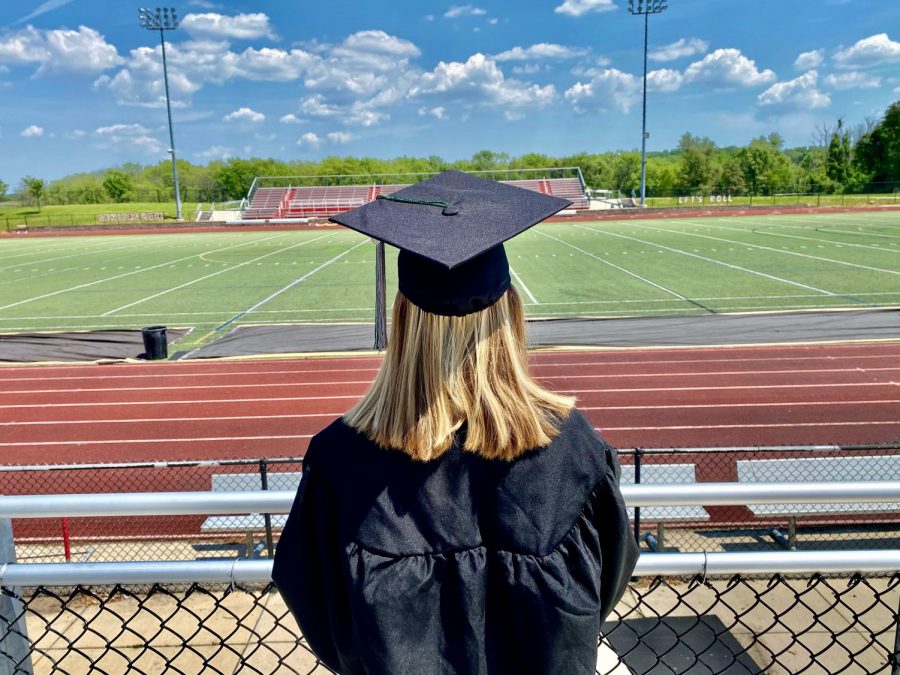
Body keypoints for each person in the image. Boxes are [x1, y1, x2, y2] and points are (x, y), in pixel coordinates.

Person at [273, 170, 640, 675]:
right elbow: (605, 582)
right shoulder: (572, 448)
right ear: (510, 315)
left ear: (403, 320)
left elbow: (319, 608)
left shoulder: (340, 458)